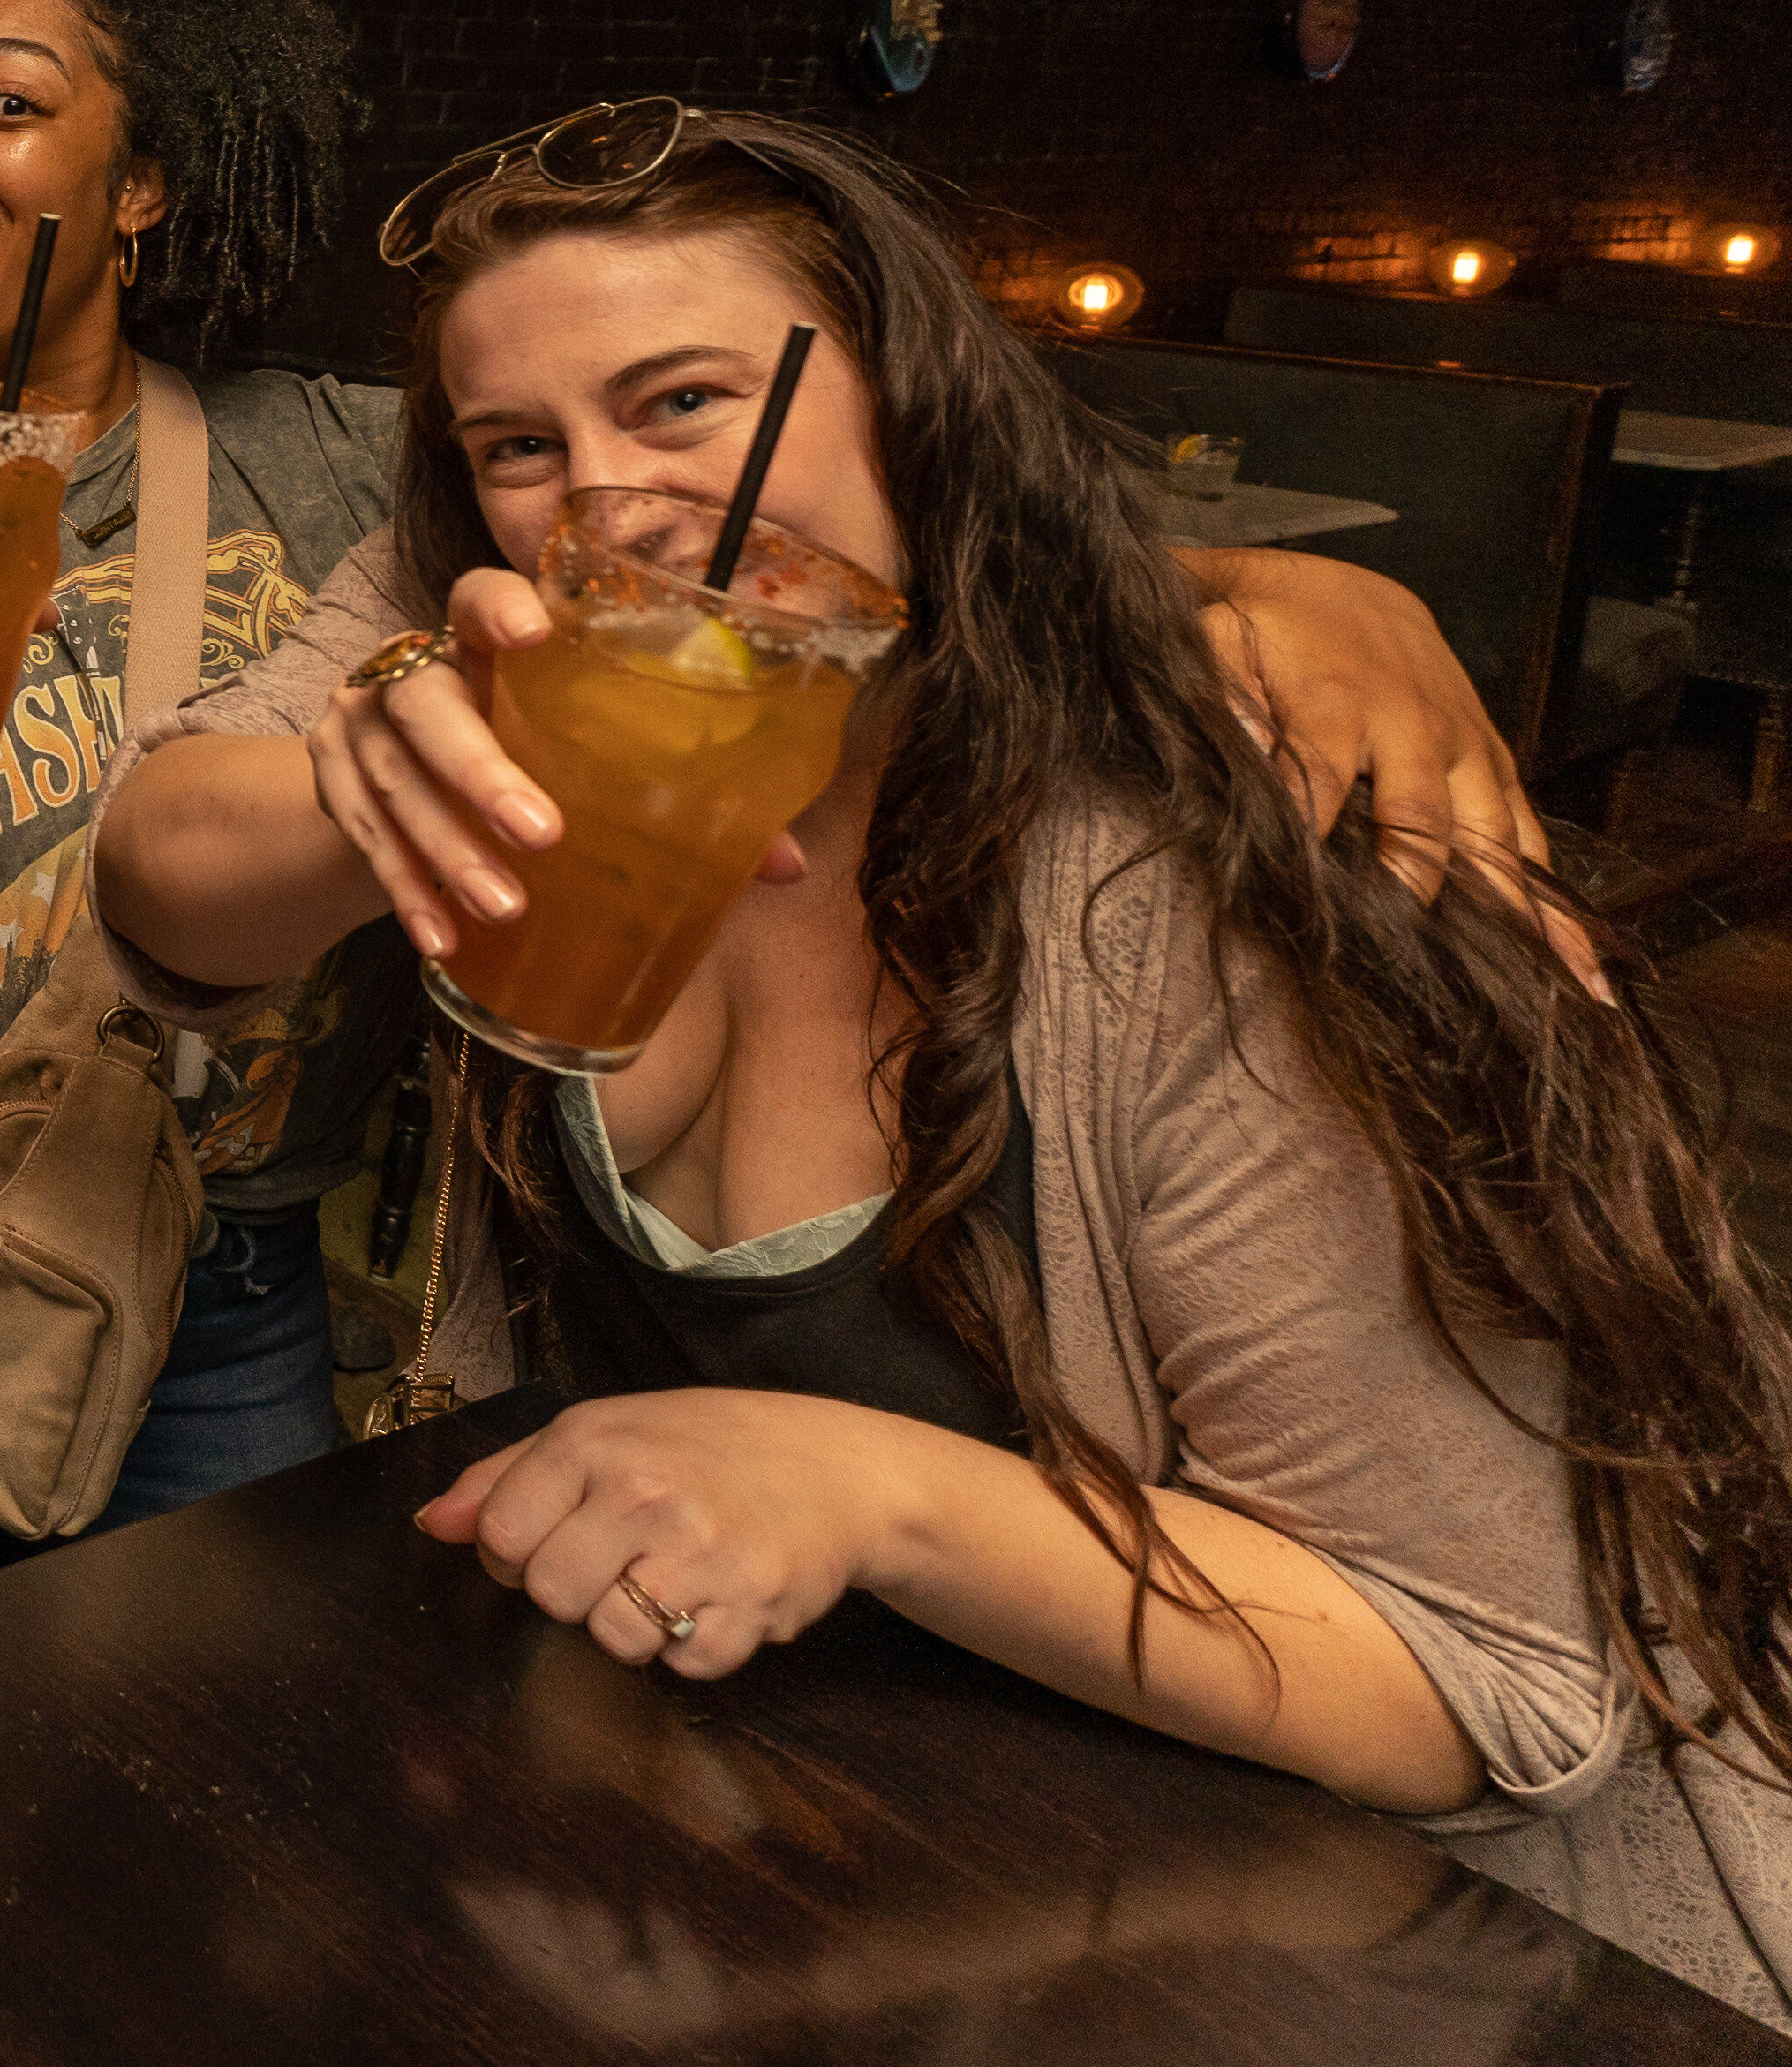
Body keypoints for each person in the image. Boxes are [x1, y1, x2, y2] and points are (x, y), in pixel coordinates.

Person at [0, 0, 1550, 1669]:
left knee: (206, 1742)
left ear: (143, 188)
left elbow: (833, 532)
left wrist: (1275, 586)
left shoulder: (354, 459)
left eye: (9, 100)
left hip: (210, 1249)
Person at [93, 101, 1792, 2020]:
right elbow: (157, 874)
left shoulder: (1181, 877)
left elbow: (1493, 1685)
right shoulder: (515, 642)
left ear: (910, 398)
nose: (607, 498)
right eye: (518, 443)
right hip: (843, 1856)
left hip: (1384, 1956)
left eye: (683, 403)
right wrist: (365, 777)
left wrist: (866, 1488)